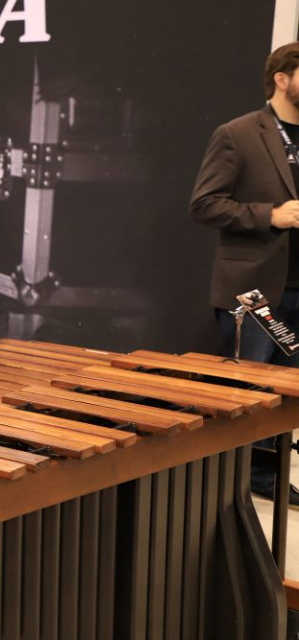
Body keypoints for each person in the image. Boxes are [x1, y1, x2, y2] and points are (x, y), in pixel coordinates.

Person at [190, 42, 299, 503]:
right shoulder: (237, 134)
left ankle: (268, 476)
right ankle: (235, 481)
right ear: (282, 77)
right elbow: (205, 204)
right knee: (246, 390)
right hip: (255, 291)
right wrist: (270, 215)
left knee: (289, 392)